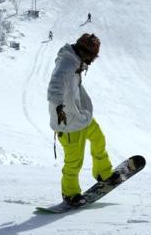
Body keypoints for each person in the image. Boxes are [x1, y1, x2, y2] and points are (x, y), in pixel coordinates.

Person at [47, 33, 114, 206]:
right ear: (84, 51)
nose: (92, 61)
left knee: (99, 138)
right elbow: (54, 85)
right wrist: (59, 107)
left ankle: (102, 172)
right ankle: (70, 194)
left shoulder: (75, 62)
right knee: (74, 161)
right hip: (68, 123)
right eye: (92, 57)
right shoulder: (66, 64)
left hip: (80, 117)